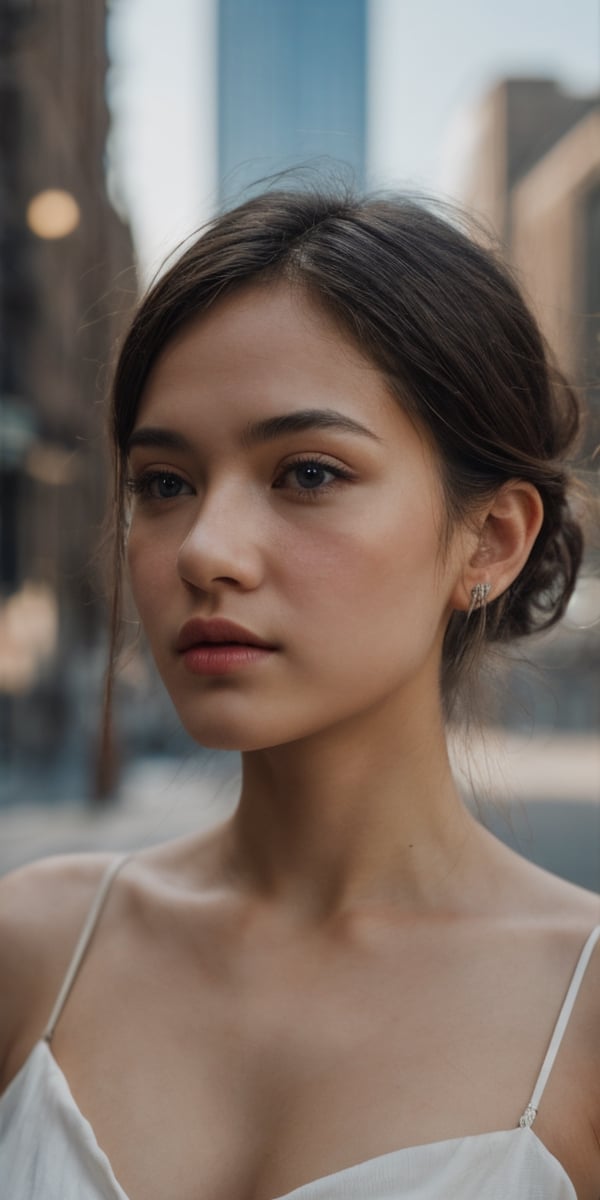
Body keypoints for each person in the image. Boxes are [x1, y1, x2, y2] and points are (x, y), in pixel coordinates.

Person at [0, 188, 598, 1200]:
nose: (205, 552)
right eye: (164, 482)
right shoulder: (34, 950)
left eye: (309, 474)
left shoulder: (583, 1016)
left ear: (491, 540)